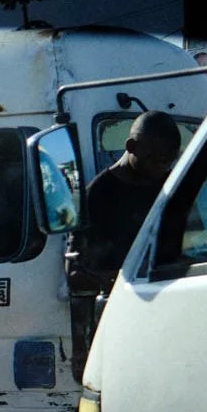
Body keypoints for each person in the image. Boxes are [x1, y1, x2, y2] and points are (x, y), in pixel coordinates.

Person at [71, 110, 183, 291]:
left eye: (167, 161)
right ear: (131, 146)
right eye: (153, 159)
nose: (161, 167)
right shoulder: (98, 194)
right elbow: (76, 273)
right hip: (121, 297)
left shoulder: (171, 187)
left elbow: (191, 241)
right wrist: (122, 280)